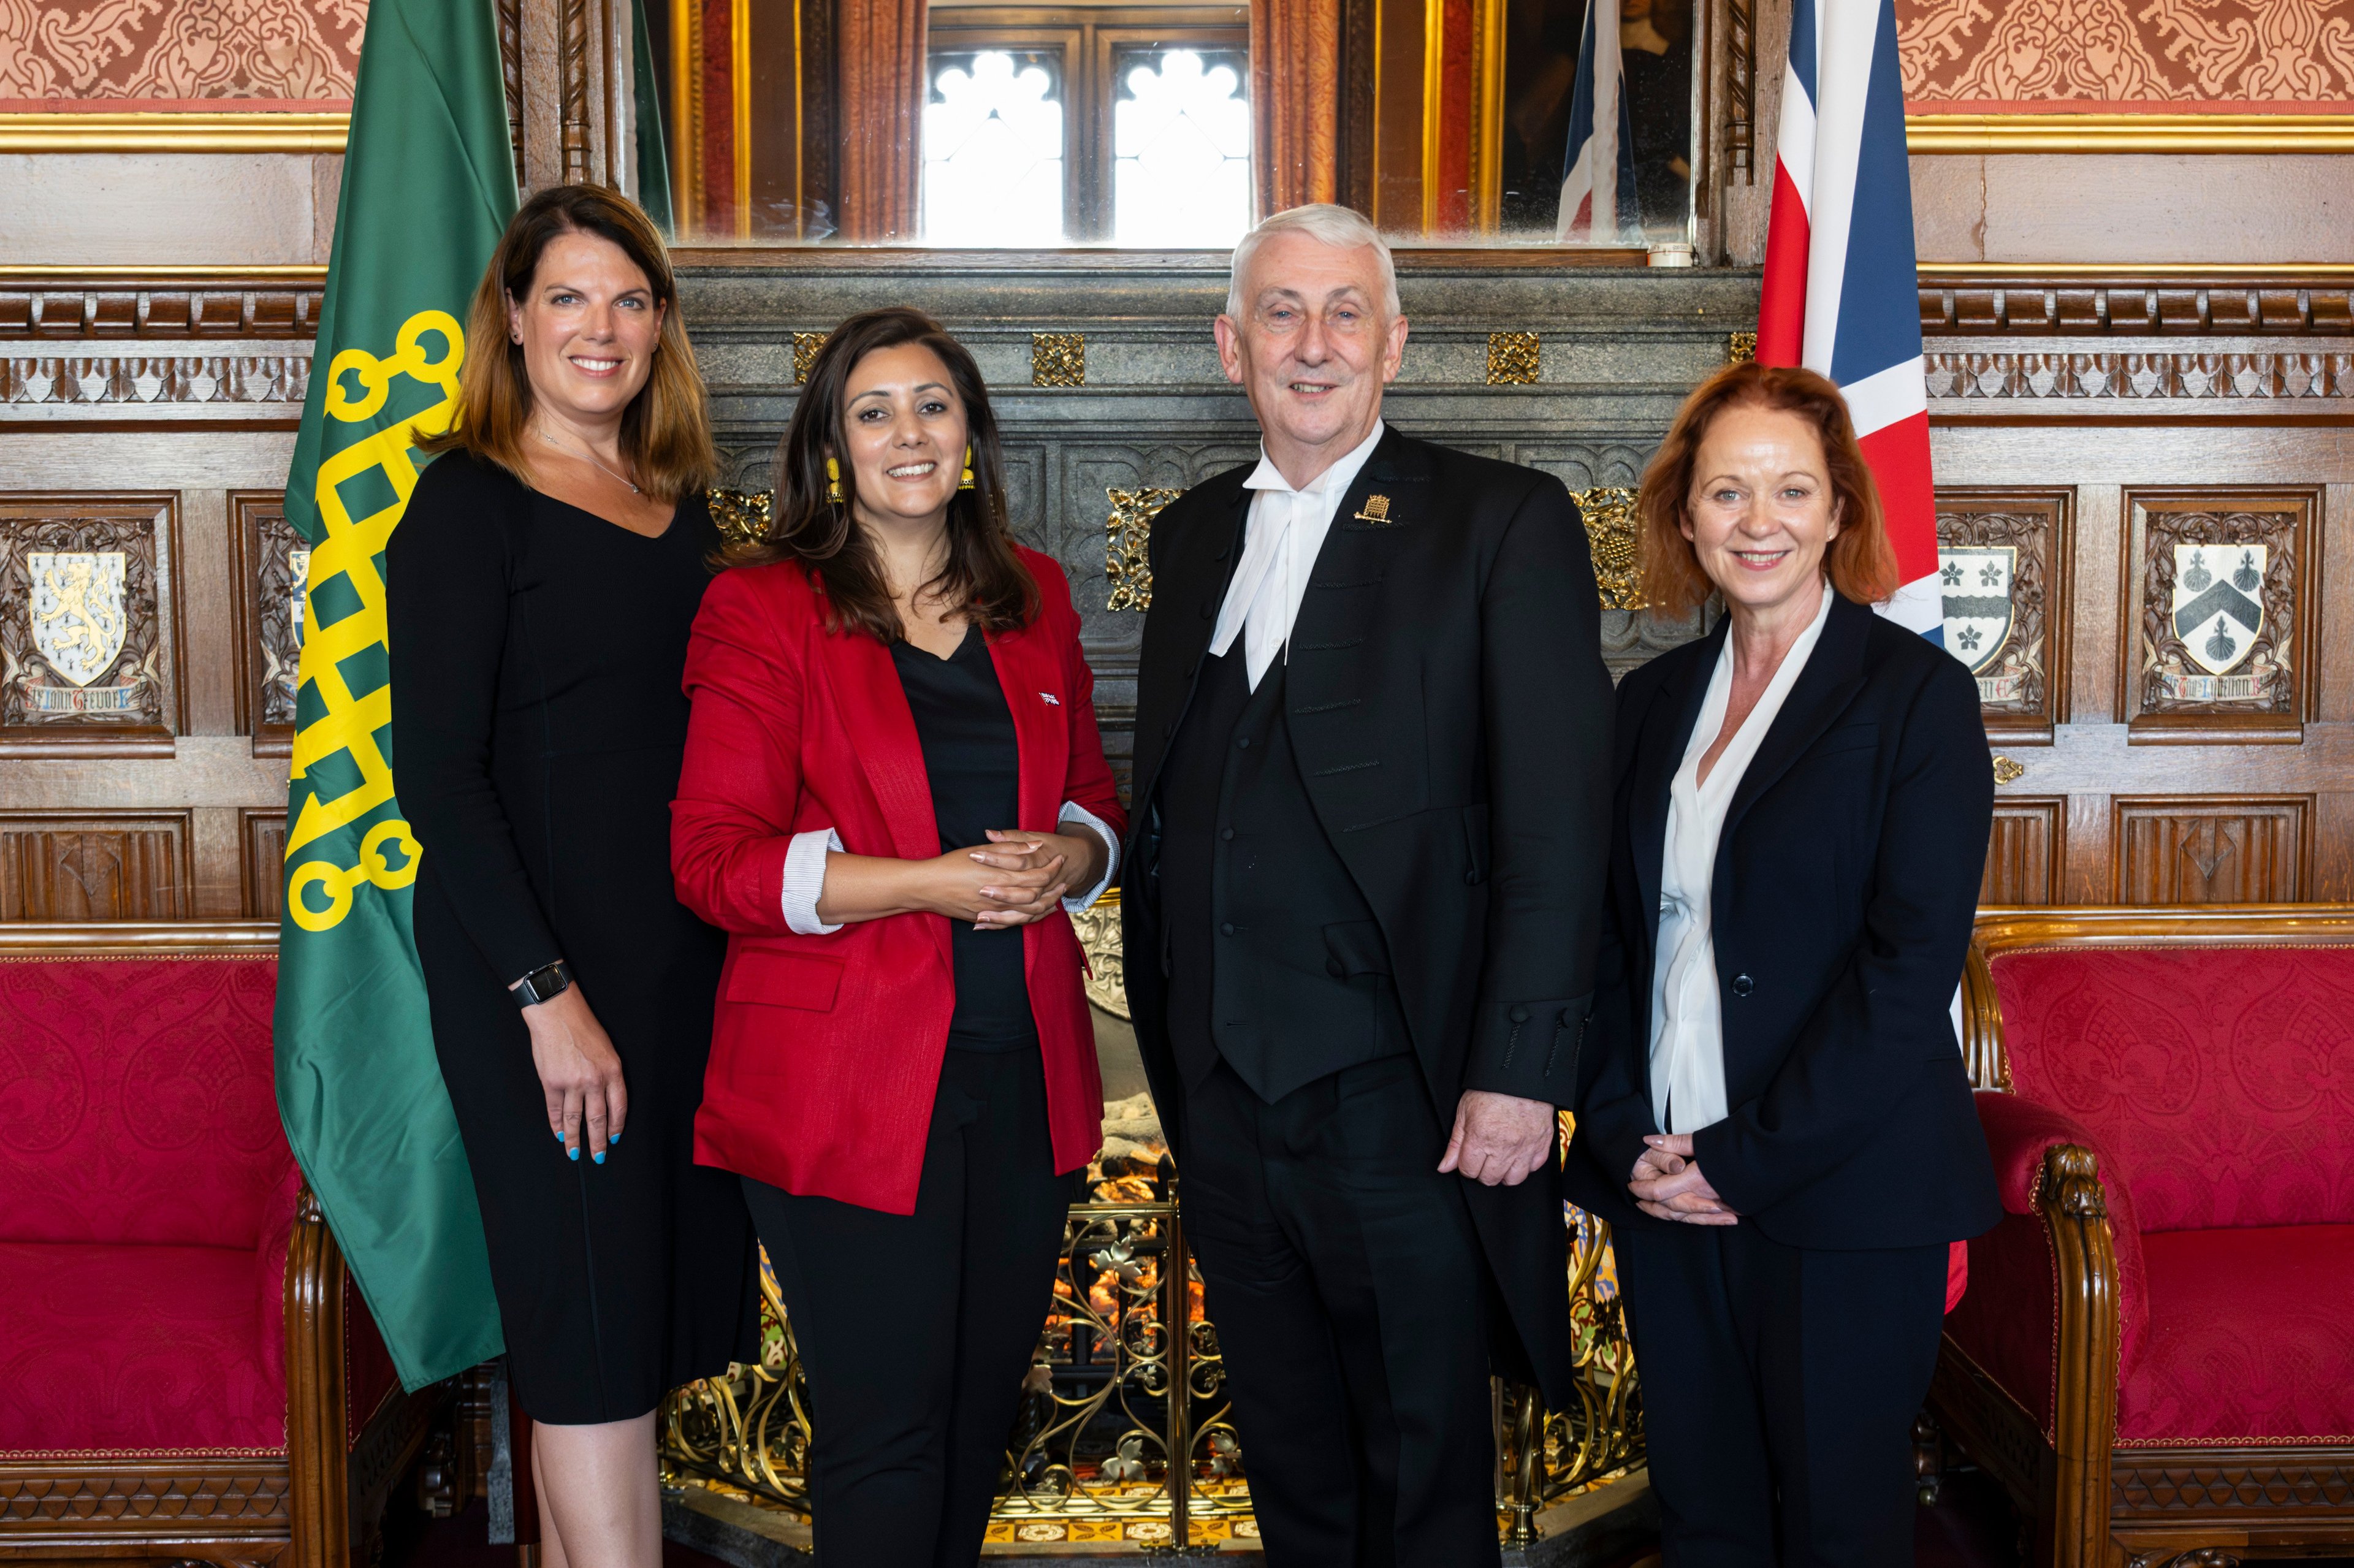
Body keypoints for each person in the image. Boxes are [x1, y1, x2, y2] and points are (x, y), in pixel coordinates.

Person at [1120, 204, 1615, 1567]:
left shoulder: (1501, 520)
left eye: (1346, 313)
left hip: (1412, 1100)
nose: (1314, 343)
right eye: (1281, 312)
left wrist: (1520, 1072)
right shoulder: (1190, 535)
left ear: (1394, 345)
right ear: (1232, 346)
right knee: (1293, 1468)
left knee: (1423, 1474)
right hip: (1225, 1102)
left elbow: (1559, 823)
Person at [669, 307, 1127, 1568]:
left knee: (980, 1423)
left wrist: (1071, 859)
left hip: (1025, 1074)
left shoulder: (1033, 597)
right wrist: (929, 881)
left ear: (970, 435)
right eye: (873, 412)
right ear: (832, 448)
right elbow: (714, 863)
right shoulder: (761, 608)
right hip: (847, 1080)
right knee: (887, 1436)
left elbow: (1093, 802)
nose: (907, 432)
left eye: (932, 405)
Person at [1563, 360, 2003, 1566]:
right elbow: (1605, 938)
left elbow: (1907, 970)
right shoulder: (1648, 701)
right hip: (1665, 1178)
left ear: (1841, 509)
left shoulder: (1918, 698)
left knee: (1835, 1527)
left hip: (1842, 1194)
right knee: (1704, 1520)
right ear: (1684, 514)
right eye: (1728, 491)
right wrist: (1620, 1131)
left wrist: (1745, 1160)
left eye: (1792, 490)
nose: (1759, 521)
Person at [386, 184, 760, 1568]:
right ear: (513, 320)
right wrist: (548, 999)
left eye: (628, 299)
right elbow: (440, 780)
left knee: (618, 1325)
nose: (600, 327)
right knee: (591, 1331)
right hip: (537, 984)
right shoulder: (464, 504)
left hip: (677, 976)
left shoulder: (690, 509)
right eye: (567, 298)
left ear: (660, 326)